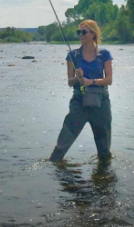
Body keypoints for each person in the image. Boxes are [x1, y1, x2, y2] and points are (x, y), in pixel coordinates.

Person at [49, 19, 113, 162]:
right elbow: (70, 82)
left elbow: (109, 80)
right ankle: (52, 172)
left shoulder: (105, 54)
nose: (81, 35)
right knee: (61, 147)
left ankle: (104, 178)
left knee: (104, 152)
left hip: (101, 103)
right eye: (79, 32)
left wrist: (91, 81)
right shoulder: (73, 55)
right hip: (79, 103)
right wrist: (78, 78)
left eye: (84, 32)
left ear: (93, 34)